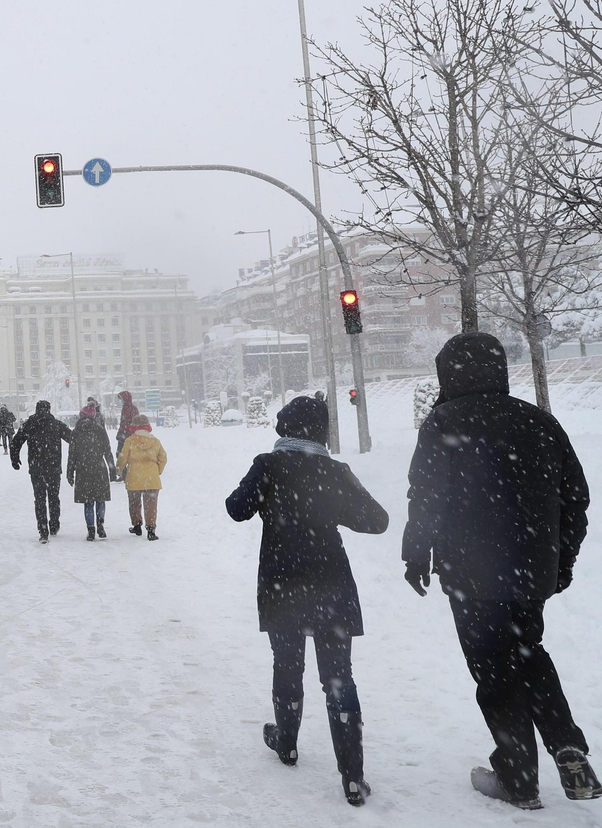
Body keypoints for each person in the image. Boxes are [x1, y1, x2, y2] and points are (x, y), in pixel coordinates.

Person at [402, 333, 597, 809]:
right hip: (532, 571)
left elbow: (425, 497)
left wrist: (416, 555)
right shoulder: (540, 422)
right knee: (528, 652)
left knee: (493, 668)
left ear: (450, 372)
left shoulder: (444, 421)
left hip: (471, 572)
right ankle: (568, 747)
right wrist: (560, 563)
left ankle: (519, 779)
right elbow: (576, 499)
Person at [227, 396, 388, 808]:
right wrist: (330, 505)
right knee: (338, 677)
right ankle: (353, 777)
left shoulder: (268, 465)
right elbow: (376, 520)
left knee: (287, 664)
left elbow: (236, 508)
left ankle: (287, 742)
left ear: (285, 428)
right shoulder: (335, 471)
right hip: (332, 586)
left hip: (282, 587)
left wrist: (270, 498)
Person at [11, 399, 74, 543]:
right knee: (53, 496)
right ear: (49, 409)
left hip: (36, 467)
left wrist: (14, 459)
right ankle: (54, 523)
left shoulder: (29, 424)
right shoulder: (56, 424)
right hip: (53, 467)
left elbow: (16, 441)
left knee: (39, 499)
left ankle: (43, 528)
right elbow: (72, 439)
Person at [68, 401, 115, 540]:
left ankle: (91, 530)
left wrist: (70, 472)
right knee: (100, 499)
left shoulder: (76, 432)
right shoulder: (100, 430)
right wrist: (112, 469)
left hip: (83, 470)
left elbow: (72, 455)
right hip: (99, 468)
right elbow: (107, 451)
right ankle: (100, 525)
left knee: (88, 501)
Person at [117, 413, 168, 539]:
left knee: (134, 503)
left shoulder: (130, 441)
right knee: (151, 505)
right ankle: (151, 530)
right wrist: (158, 471)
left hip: (134, 478)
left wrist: (119, 469)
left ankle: (137, 526)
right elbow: (163, 458)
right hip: (152, 479)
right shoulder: (155, 441)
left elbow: (122, 458)